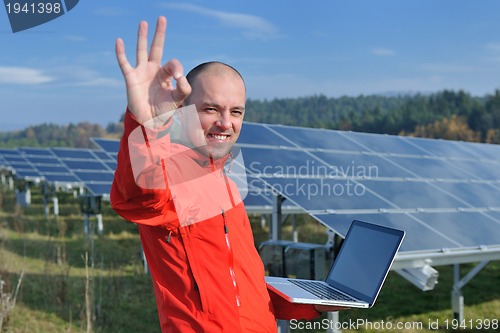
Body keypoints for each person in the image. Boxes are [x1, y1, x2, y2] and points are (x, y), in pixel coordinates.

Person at [111, 16, 342, 332]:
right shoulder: (170, 178)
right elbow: (137, 200)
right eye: (210, 109)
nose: (225, 122)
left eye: (236, 111)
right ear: (182, 110)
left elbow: (241, 286)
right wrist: (148, 125)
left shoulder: (227, 180)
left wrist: (308, 304)